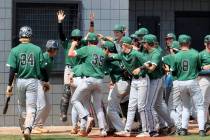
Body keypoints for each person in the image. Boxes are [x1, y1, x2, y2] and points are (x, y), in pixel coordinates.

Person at [6, 26, 45, 140]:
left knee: (21, 106)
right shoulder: (37, 49)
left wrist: (9, 85)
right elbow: (42, 68)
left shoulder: (15, 50)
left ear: (20, 35)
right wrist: (45, 81)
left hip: (20, 81)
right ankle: (28, 128)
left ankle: (23, 130)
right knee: (31, 107)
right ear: (30, 36)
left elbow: (12, 70)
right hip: (32, 81)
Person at [68, 32, 107, 136]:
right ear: (96, 41)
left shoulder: (87, 48)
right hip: (99, 81)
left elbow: (70, 54)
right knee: (98, 106)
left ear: (89, 42)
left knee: (74, 100)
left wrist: (72, 45)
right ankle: (103, 130)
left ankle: (86, 117)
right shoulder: (102, 51)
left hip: (88, 80)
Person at [173, 34, 205, 136]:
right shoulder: (195, 53)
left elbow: (173, 72)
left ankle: (183, 129)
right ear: (189, 42)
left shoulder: (176, 55)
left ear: (179, 43)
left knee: (185, 107)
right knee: (199, 106)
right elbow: (199, 68)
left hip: (180, 82)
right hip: (192, 81)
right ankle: (201, 130)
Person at [57, 10, 83, 122]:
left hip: (79, 70)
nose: (76, 40)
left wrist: (91, 22)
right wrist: (59, 22)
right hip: (69, 69)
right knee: (67, 91)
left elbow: (91, 36)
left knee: (79, 94)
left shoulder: (83, 46)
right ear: (72, 38)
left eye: (78, 38)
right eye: (74, 38)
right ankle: (63, 114)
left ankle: (79, 120)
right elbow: (61, 34)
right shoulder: (68, 43)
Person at [32, 40, 59, 134]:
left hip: (45, 82)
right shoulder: (43, 56)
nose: (57, 51)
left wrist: (47, 82)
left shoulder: (51, 58)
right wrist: (44, 82)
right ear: (51, 49)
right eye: (55, 49)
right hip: (38, 81)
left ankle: (40, 125)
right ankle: (32, 126)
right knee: (42, 105)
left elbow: (46, 72)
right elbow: (39, 70)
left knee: (48, 106)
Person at [198, 35, 210, 133]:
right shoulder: (201, 54)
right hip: (204, 79)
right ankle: (205, 123)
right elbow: (196, 69)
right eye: (208, 42)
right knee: (204, 102)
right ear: (205, 43)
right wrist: (203, 68)